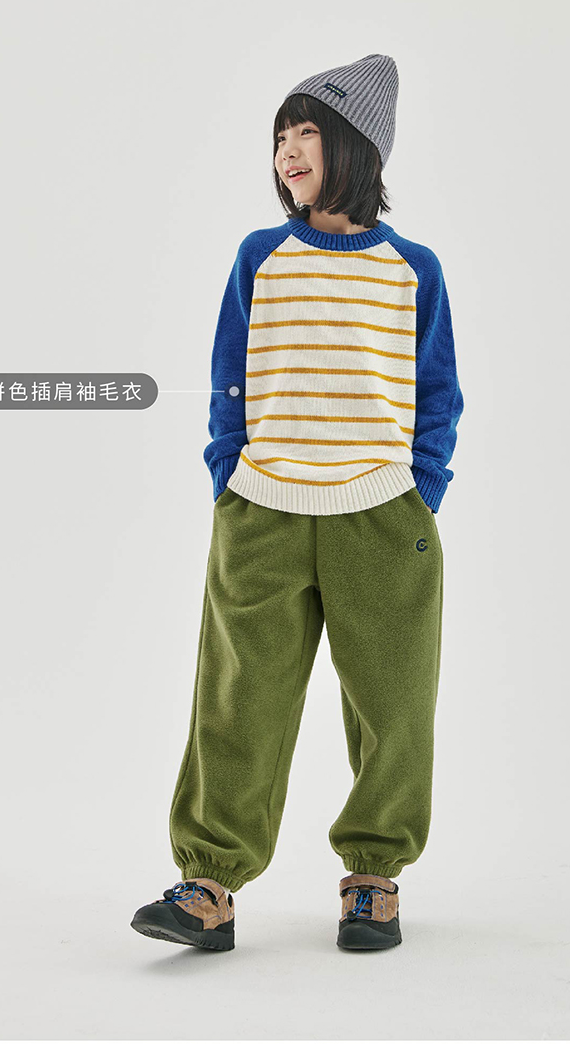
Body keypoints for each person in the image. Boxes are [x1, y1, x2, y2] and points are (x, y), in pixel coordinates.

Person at [131, 54, 464, 952]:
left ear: (356, 147)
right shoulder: (261, 257)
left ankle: (374, 877)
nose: (288, 150)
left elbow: (438, 394)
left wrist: (420, 489)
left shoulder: (413, 269)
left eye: (307, 131)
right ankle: (209, 883)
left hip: (382, 517)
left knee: (393, 706)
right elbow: (228, 374)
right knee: (238, 699)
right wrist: (227, 474)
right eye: (280, 135)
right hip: (263, 512)